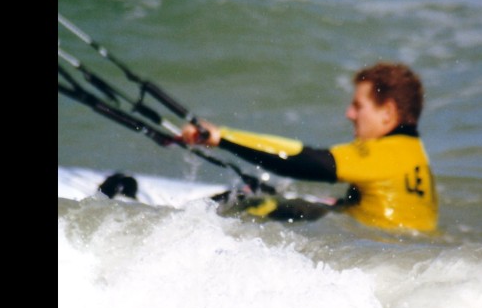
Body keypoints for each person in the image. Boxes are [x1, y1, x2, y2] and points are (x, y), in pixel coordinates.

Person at [181, 62, 438, 232]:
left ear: (388, 113)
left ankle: (190, 216)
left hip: (375, 252)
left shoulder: (384, 153)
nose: (349, 113)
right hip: (399, 254)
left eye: (358, 106)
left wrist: (221, 136)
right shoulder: (416, 155)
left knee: (256, 204)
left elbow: (303, 161)